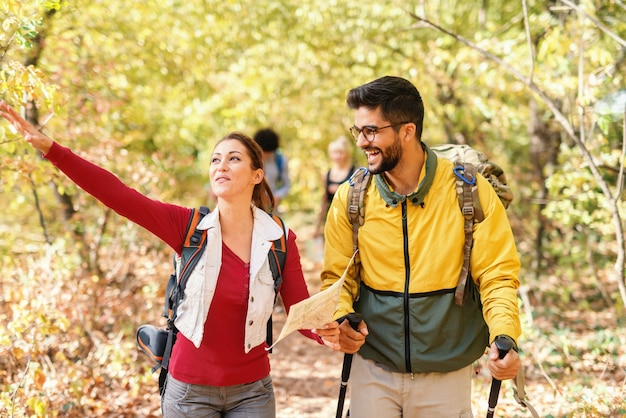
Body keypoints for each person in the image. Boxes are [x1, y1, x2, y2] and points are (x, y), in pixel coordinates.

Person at [0, 101, 340, 418]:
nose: (221, 165)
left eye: (234, 159)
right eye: (215, 159)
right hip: (189, 391)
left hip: (253, 392)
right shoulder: (188, 227)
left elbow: (301, 313)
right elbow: (118, 195)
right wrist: (52, 150)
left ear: (257, 175)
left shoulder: (279, 239)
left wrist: (331, 333)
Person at [314, 76, 522, 417]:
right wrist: (341, 319)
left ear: (407, 130)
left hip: (446, 372)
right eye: (358, 131)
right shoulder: (351, 197)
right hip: (373, 367)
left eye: (371, 131)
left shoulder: (469, 192)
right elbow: (338, 278)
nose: (362, 142)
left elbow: (497, 275)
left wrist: (504, 335)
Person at [314, 135, 355, 237]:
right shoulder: (327, 174)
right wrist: (317, 227)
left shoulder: (355, 172)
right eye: (334, 153)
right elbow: (324, 201)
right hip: (331, 221)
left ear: (346, 153)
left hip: (350, 223)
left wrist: (341, 190)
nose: (337, 156)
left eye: (340, 153)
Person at [253, 128, 291, 210]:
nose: (265, 154)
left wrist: (276, 196)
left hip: (271, 207)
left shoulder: (280, 161)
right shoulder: (250, 160)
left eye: (268, 152)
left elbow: (287, 185)